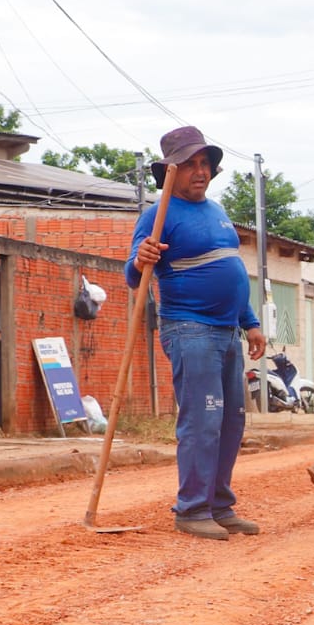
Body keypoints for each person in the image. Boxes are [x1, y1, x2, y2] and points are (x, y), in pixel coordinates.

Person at [125, 126, 266, 541]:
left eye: (205, 163)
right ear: (171, 171)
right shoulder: (159, 213)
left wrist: (251, 321)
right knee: (202, 421)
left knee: (231, 423)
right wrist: (140, 259)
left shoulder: (218, 212)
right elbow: (133, 276)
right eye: (190, 164)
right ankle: (191, 509)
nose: (200, 171)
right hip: (190, 328)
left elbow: (232, 270)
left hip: (227, 331)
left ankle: (220, 506)